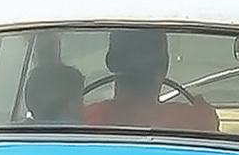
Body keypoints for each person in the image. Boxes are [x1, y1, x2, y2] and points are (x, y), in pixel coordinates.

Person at [83, 26, 220, 134]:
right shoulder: (198, 121)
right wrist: (206, 117)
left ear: (110, 61)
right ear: (165, 64)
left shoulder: (83, 119)